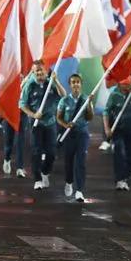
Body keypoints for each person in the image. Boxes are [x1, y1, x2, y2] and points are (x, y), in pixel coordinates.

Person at [21, 61, 65, 189]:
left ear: (46, 71)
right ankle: (38, 179)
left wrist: (56, 81)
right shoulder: (29, 85)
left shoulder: (50, 83)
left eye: (41, 70)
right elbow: (22, 104)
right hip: (36, 124)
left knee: (51, 153)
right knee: (36, 151)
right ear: (33, 72)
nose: (39, 73)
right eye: (36, 71)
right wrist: (33, 115)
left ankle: (45, 172)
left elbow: (63, 95)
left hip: (50, 123)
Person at [103, 78, 131, 190]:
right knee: (118, 150)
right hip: (118, 129)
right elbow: (106, 112)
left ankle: (125, 179)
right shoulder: (114, 95)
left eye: (129, 83)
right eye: (125, 83)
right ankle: (119, 179)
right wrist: (107, 129)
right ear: (119, 84)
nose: (128, 85)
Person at [57, 74, 94, 202]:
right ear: (70, 85)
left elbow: (90, 117)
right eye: (73, 82)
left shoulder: (86, 99)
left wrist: (88, 104)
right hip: (69, 135)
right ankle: (68, 181)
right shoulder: (64, 100)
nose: (76, 84)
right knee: (69, 161)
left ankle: (79, 190)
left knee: (81, 161)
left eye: (78, 82)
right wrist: (66, 125)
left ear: (81, 84)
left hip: (82, 134)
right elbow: (59, 118)